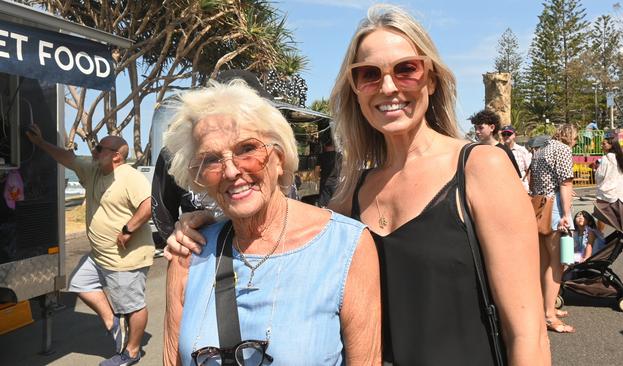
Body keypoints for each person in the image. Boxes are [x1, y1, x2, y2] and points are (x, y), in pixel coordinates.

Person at [167, 4, 549, 365]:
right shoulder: (352, 195)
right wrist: (203, 222)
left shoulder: (480, 168)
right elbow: (283, 229)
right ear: (355, 89)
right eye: (368, 74)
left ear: (430, 79)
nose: (387, 87)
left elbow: (528, 333)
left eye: (406, 69)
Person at [162, 81, 381, 365]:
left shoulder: (345, 247)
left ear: (279, 158)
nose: (231, 170)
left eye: (247, 149)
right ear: (198, 177)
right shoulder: (189, 253)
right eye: (212, 160)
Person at [25, 125, 153, 366]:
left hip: (124, 260)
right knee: (78, 284)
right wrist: (41, 143)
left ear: (116, 155)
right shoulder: (94, 169)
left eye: (99, 148)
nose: (93, 151)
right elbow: (68, 157)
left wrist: (128, 229)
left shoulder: (129, 176)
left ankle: (131, 352)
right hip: (99, 255)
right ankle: (112, 323)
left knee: (133, 306)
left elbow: (148, 204)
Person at [529, 123, 578, 334]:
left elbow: (532, 181)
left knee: (543, 262)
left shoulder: (541, 151)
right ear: (571, 137)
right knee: (557, 263)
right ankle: (549, 315)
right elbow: (566, 183)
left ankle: (543, 309)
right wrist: (567, 214)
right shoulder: (563, 150)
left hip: (538, 206)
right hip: (555, 208)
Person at [470, 109, 521, 178]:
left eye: (480, 128)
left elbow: (515, 177)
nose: (477, 131)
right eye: (475, 128)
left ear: (492, 127)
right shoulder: (473, 150)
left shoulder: (505, 151)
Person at [595, 132, 623, 204]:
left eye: (604, 144)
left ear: (611, 145)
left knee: (603, 214)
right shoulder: (622, 159)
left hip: (605, 194)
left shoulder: (605, 158)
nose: (601, 145)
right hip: (619, 194)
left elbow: (599, 176)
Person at [502, 125, 532, 191]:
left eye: (509, 134)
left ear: (514, 135)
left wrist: (530, 188)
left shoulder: (522, 150)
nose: (506, 136)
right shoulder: (499, 150)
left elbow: (528, 170)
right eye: (504, 134)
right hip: (505, 187)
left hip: (522, 186)